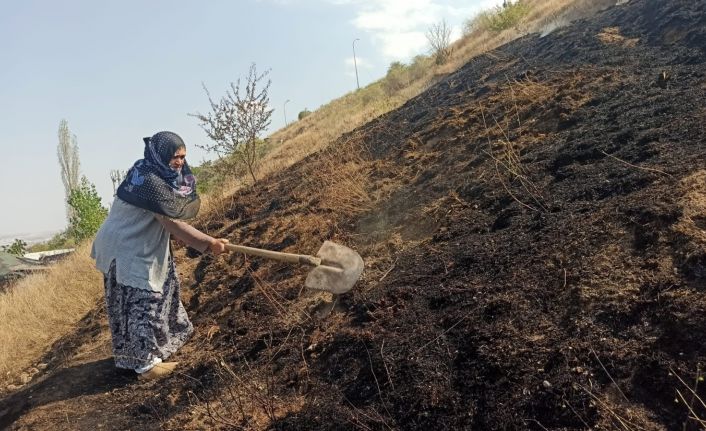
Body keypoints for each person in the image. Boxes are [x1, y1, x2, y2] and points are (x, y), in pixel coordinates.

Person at [91, 131, 230, 380]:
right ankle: (146, 366)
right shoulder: (150, 183)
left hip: (130, 242)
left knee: (161, 287)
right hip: (127, 247)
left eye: (183, 156)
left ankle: (145, 350)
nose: (179, 162)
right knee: (144, 301)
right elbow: (172, 224)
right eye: (175, 156)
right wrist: (209, 244)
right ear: (161, 154)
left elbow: (165, 220)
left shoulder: (145, 170)